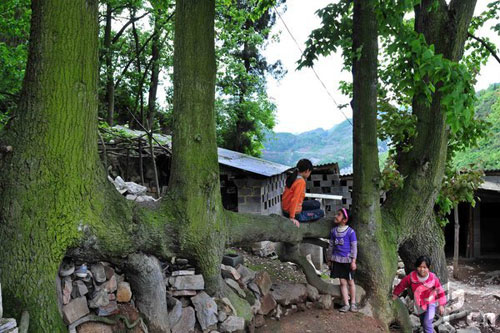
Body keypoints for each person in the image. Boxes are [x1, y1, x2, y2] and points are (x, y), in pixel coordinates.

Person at [392, 255, 446, 333]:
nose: (422, 269)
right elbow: (402, 285)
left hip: (431, 303)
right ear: (416, 267)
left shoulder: (433, 278)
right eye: (420, 267)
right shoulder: (412, 277)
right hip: (419, 304)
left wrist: (441, 305)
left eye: (425, 267)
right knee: (423, 323)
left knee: (427, 323)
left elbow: (440, 291)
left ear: (429, 268)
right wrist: (395, 294)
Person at [327, 208, 358, 312]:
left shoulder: (350, 232)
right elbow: (331, 246)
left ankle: (353, 303)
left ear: (344, 220)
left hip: (347, 261)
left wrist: (353, 261)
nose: (336, 216)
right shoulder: (333, 232)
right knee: (342, 282)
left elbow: (354, 247)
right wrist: (329, 259)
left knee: (350, 282)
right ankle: (346, 304)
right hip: (337, 260)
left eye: (339, 215)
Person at [281, 159, 324, 227]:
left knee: (317, 203)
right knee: (320, 212)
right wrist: (292, 217)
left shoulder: (293, 176)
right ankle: (300, 216)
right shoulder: (300, 182)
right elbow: (295, 199)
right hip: (293, 213)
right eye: (310, 172)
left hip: (287, 207)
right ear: (307, 171)